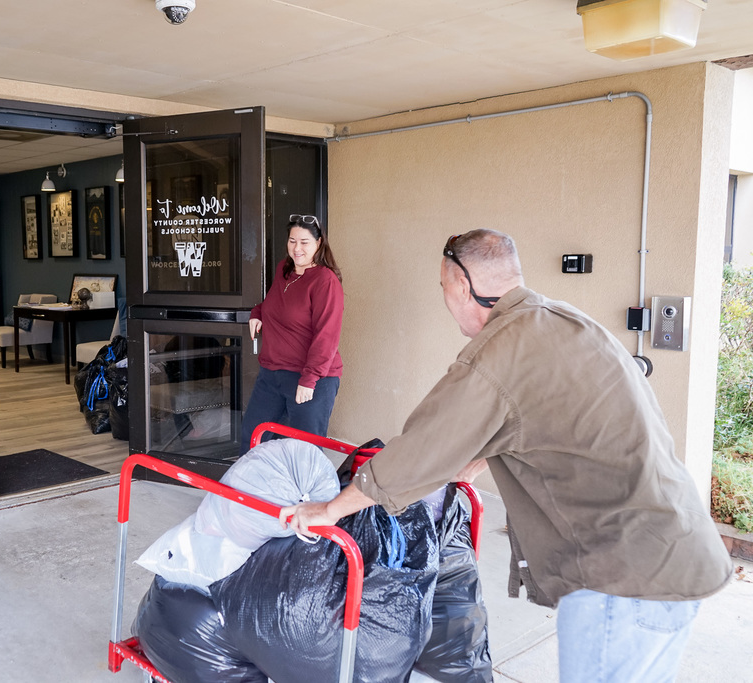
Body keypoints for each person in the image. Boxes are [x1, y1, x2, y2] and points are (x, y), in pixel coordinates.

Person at [280, 229, 732, 682]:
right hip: (668, 551)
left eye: (443, 287)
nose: (444, 297)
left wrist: (332, 509)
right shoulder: (560, 320)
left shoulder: (499, 351)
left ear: (461, 284)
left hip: (623, 580)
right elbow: (539, 420)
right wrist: (474, 459)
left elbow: (422, 449)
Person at [239, 214, 344, 453]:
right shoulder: (284, 271)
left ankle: (301, 492)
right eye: (292, 241)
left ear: (318, 244)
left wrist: (309, 379)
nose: (297, 248)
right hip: (272, 374)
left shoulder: (325, 281)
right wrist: (257, 312)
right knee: (253, 437)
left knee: (303, 450)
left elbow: (326, 335)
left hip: (310, 379)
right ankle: (249, 490)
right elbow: (274, 304)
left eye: (304, 242)